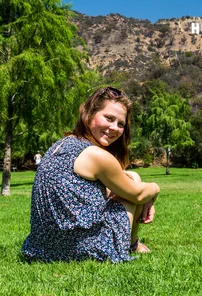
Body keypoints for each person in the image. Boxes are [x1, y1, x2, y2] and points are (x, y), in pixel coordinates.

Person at [22, 86, 160, 263]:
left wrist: (141, 193)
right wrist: (154, 190)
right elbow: (137, 194)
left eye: (121, 124)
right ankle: (132, 245)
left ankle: (132, 244)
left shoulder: (64, 144)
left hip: (42, 248)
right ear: (89, 114)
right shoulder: (96, 155)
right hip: (83, 251)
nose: (114, 128)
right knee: (135, 183)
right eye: (109, 118)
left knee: (130, 178)